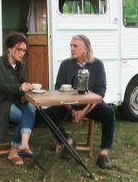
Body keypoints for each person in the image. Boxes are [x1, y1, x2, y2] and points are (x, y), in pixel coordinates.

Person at [46, 35, 115, 169]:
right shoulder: (66, 64)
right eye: (71, 46)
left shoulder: (97, 64)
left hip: (90, 105)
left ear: (85, 48)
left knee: (109, 112)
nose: (71, 49)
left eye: (75, 46)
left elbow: (101, 92)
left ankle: (104, 153)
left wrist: (83, 112)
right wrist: (71, 110)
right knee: (48, 113)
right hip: (68, 105)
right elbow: (58, 88)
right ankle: (67, 141)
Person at [0, 32, 37, 165]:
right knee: (22, 116)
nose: (22, 53)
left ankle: (22, 145)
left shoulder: (21, 65)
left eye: (24, 50)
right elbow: (1, 86)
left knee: (31, 108)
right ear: (10, 48)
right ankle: (14, 151)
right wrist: (19, 88)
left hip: (15, 100)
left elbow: (22, 84)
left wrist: (25, 92)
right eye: (19, 49)